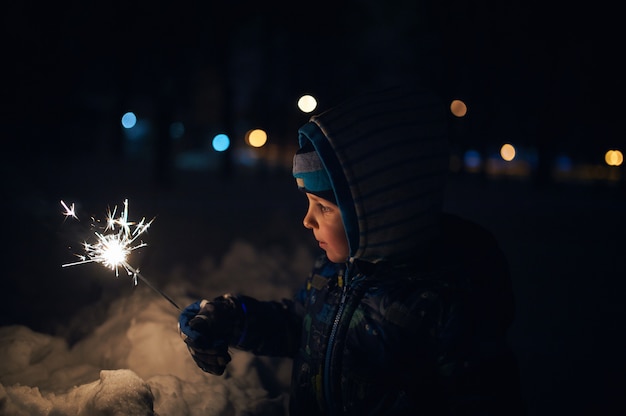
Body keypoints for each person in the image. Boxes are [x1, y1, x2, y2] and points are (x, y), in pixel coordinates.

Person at [178, 85, 525, 415]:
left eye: (324, 207)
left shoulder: (446, 305)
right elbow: (300, 325)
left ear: (382, 211)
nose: (307, 220)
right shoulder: (336, 271)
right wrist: (231, 317)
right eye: (309, 202)